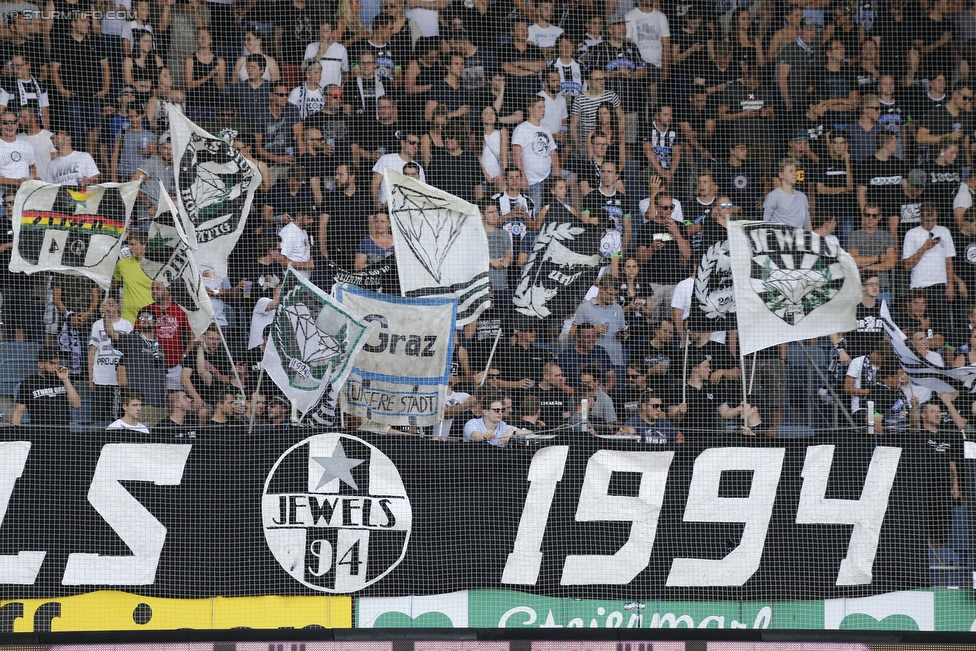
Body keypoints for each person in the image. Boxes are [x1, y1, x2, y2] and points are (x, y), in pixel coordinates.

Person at [902, 203, 960, 337]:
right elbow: (907, 265)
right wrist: (924, 248)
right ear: (920, 217)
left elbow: (949, 260)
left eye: (933, 220)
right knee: (920, 327)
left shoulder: (944, 231)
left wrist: (950, 285)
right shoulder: (911, 234)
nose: (930, 224)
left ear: (937, 216)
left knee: (942, 328)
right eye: (927, 221)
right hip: (919, 287)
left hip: (940, 286)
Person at [104, 307, 169, 426]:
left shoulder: (159, 346)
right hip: (140, 406)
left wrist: (165, 400)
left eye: (148, 317)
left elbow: (164, 379)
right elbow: (111, 333)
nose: (144, 320)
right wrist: (107, 315)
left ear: (155, 322)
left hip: (160, 406)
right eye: (142, 318)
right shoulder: (132, 340)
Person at [511, 95, 561, 210]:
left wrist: (557, 171)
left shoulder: (546, 128)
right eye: (539, 107)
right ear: (530, 109)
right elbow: (516, 155)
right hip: (532, 180)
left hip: (548, 177)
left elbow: (553, 153)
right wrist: (522, 178)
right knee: (535, 212)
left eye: (544, 107)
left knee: (571, 178)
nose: (543, 110)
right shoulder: (521, 129)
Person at [12, 346, 82, 426]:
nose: (56, 367)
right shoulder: (29, 383)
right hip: (39, 432)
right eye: (52, 363)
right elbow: (18, 412)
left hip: (63, 432)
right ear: (41, 364)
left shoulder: (63, 380)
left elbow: (76, 404)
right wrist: (14, 432)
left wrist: (65, 379)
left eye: (57, 363)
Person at [372, 130, 425, 208]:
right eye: (412, 143)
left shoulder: (419, 167)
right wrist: (377, 205)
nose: (415, 146)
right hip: (387, 208)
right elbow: (374, 183)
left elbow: (422, 192)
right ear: (403, 143)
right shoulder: (386, 159)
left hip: (409, 209)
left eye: (418, 144)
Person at [763, 157, 812, 230]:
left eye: (795, 171)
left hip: (798, 239)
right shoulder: (773, 196)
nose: (794, 174)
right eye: (791, 171)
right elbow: (765, 221)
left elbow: (807, 223)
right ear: (781, 175)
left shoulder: (802, 197)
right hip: (778, 239)